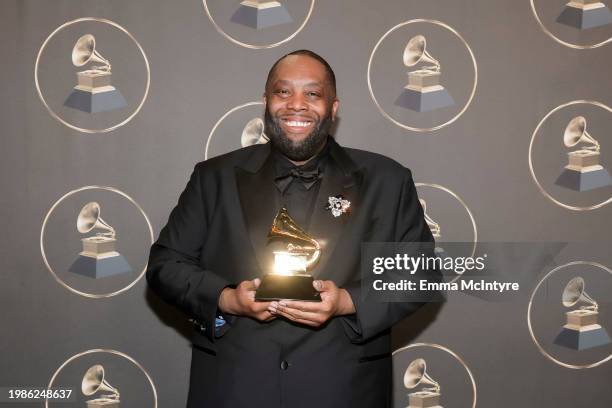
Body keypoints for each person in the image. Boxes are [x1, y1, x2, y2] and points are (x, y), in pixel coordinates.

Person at [146, 49, 437, 408]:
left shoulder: (386, 180)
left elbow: (420, 274)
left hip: (344, 390)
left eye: (312, 94)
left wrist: (347, 302)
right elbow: (166, 265)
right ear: (265, 101)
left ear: (333, 107)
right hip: (234, 389)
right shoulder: (213, 178)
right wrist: (227, 299)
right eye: (283, 92)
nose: (296, 105)